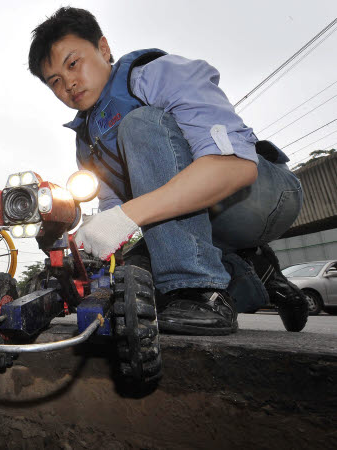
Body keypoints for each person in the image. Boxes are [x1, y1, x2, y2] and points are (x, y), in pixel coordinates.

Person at [27, 7, 304, 335]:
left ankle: (199, 291)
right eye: (55, 82)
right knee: (139, 282)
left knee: (140, 124)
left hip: (259, 197)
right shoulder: (86, 143)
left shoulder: (152, 75)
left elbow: (236, 168)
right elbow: (118, 216)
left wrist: (128, 217)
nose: (69, 83)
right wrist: (90, 244)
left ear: (103, 48)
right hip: (199, 221)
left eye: (73, 64)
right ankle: (262, 277)